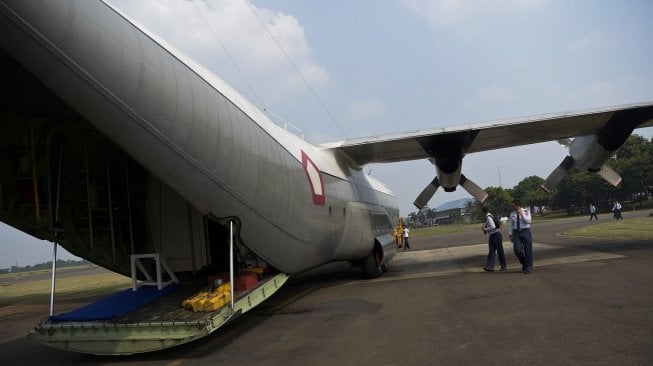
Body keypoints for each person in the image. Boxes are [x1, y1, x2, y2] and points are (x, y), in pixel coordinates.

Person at [509, 199, 533, 274]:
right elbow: (510, 225)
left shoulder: (526, 211)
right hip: (516, 233)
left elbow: (529, 221)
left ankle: (529, 267)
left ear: (518, 205)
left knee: (528, 250)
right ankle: (525, 264)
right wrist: (510, 234)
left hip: (525, 231)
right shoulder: (512, 214)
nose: (512, 207)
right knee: (517, 250)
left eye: (513, 206)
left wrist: (522, 215)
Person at [480, 206, 506, 272]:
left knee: (495, 251)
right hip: (494, 235)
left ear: (483, 212)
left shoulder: (488, 218)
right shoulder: (491, 216)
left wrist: (485, 229)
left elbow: (493, 226)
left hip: (495, 235)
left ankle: (494, 266)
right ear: (489, 210)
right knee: (494, 251)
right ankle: (491, 267)